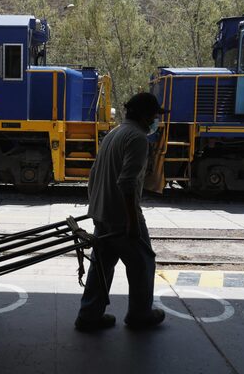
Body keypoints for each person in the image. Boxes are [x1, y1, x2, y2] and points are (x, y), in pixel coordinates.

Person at [74, 92, 165, 331]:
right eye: (155, 116)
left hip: (103, 212)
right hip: (121, 216)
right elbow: (127, 183)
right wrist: (133, 223)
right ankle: (140, 314)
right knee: (143, 263)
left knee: (101, 265)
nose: (156, 121)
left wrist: (95, 208)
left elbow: (94, 174)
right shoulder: (137, 138)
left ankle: (89, 315)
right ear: (146, 116)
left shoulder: (115, 133)